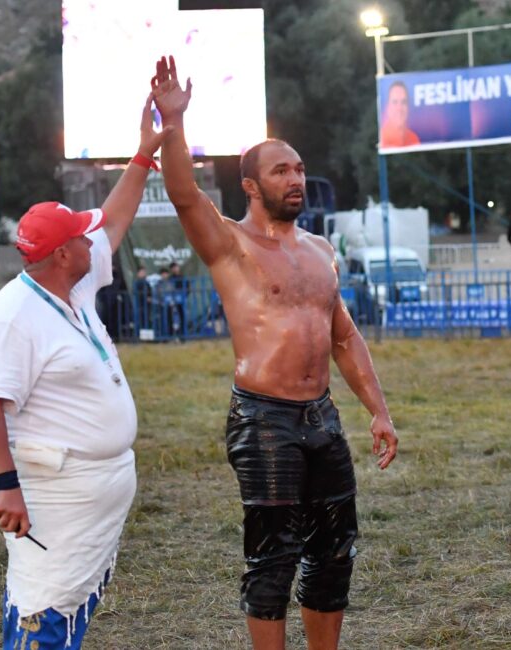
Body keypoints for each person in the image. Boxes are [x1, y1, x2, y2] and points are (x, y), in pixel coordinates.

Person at [151, 56, 397, 650]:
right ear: (252, 185)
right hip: (263, 417)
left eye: (299, 168)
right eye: (281, 170)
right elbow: (184, 194)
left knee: (336, 548)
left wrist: (379, 409)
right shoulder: (230, 244)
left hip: (322, 416)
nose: (295, 178)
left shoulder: (319, 250)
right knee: (273, 556)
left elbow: (344, 336)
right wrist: (173, 124)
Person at [0, 95, 168, 649]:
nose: (91, 238)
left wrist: (144, 155)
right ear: (60, 254)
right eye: (81, 235)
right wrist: (6, 489)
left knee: (50, 602)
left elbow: (116, 219)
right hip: (51, 492)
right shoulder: (11, 315)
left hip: (84, 488)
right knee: (43, 610)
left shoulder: (70, 285)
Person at [378, 81, 420, 148]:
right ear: (387, 107)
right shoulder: (383, 138)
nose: (399, 108)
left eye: (403, 102)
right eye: (395, 102)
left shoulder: (414, 138)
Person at [132, 265, 155, 331]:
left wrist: (150, 297)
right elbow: (136, 293)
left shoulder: (146, 282)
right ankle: (140, 334)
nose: (143, 273)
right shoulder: (136, 282)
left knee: (147, 319)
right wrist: (145, 297)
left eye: (144, 272)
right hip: (140, 305)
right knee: (141, 319)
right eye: (142, 272)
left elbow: (150, 292)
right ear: (138, 273)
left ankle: (147, 334)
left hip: (147, 305)